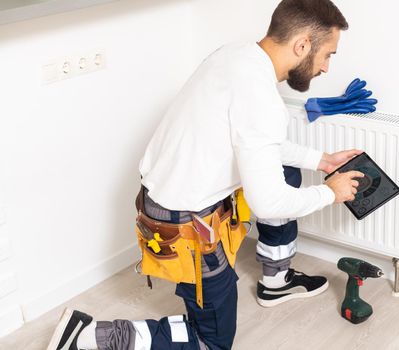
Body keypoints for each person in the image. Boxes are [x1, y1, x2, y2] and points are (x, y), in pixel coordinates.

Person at [46, 0, 365, 349]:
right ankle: (90, 338)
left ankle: (274, 282)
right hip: (183, 220)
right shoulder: (259, 94)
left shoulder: (236, 55)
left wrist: (321, 160)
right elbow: (269, 202)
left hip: (166, 199)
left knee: (284, 170)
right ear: (302, 44)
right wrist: (330, 193)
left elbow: (260, 142)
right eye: (328, 54)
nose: (327, 67)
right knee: (212, 342)